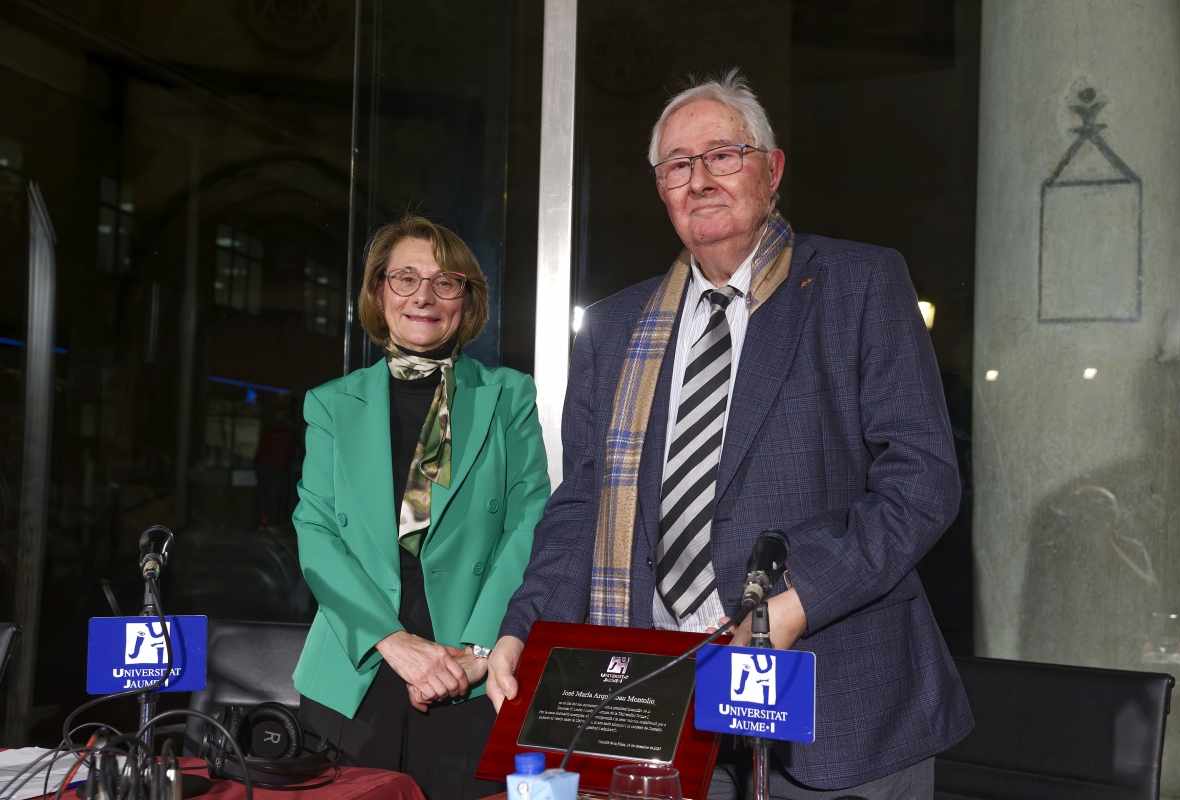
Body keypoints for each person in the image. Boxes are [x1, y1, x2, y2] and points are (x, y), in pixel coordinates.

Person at [487, 70, 972, 799]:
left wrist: (794, 602)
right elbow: (582, 505)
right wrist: (520, 628)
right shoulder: (617, 329)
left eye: (723, 154)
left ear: (771, 169)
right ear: (661, 188)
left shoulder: (858, 284)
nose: (701, 179)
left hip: (838, 706)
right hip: (660, 709)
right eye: (679, 165)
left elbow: (923, 480)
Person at [292, 215, 550, 800]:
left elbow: (528, 520)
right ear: (379, 293)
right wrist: (393, 641)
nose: (424, 297)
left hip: (469, 669)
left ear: (467, 298)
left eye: (445, 281)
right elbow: (316, 532)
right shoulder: (331, 404)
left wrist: (480, 649)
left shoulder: (509, 394)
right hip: (355, 667)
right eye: (404, 278)